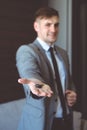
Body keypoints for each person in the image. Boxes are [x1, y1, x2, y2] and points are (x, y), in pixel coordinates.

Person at [16, 7, 77, 130]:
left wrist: (72, 93)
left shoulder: (63, 54)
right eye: (48, 25)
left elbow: (68, 81)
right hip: (41, 123)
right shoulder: (27, 51)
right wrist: (37, 84)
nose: (53, 30)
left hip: (65, 120)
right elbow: (30, 73)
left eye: (56, 24)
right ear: (36, 27)